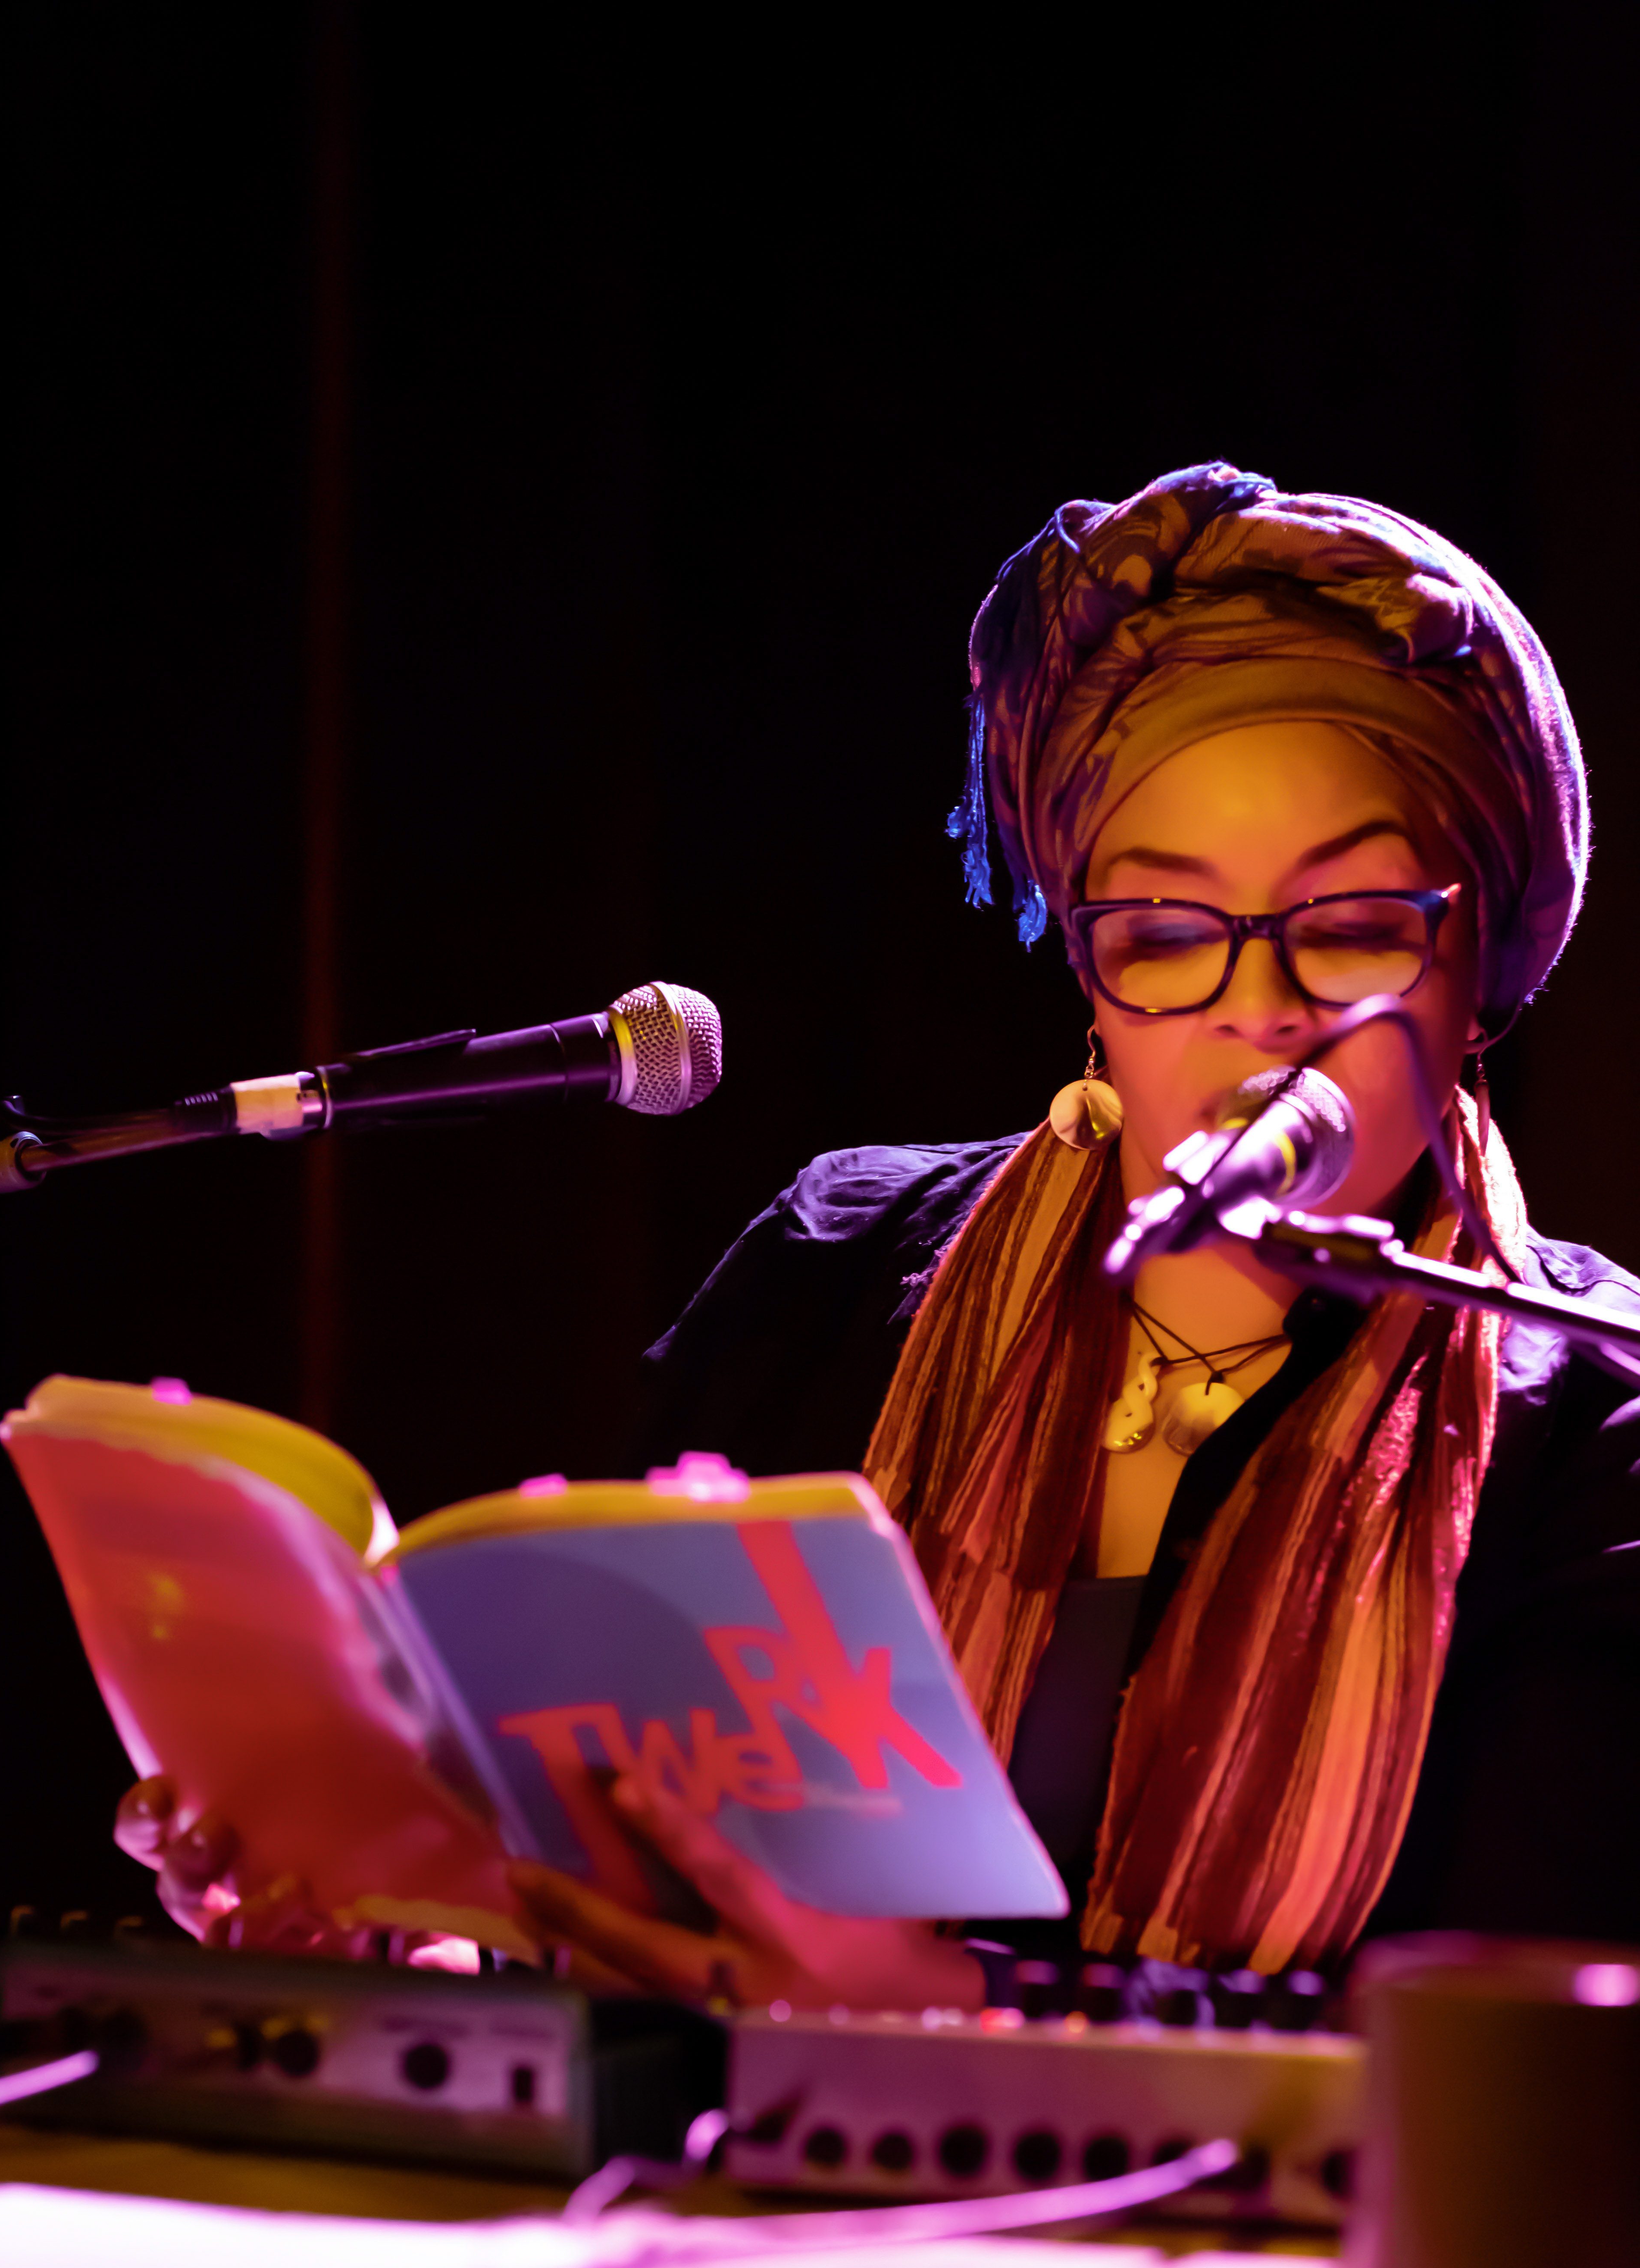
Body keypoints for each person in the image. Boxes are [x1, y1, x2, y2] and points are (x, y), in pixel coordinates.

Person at [121, 462, 1640, 2005]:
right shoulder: (842, 1265)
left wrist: (952, 2015)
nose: (1258, 1006)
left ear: (1482, 971)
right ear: (1090, 974)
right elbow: (631, 1865)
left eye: (1357, 930)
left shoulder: (1595, 1418)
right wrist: (410, 1925)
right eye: (1167, 933)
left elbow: (1525, 2057)